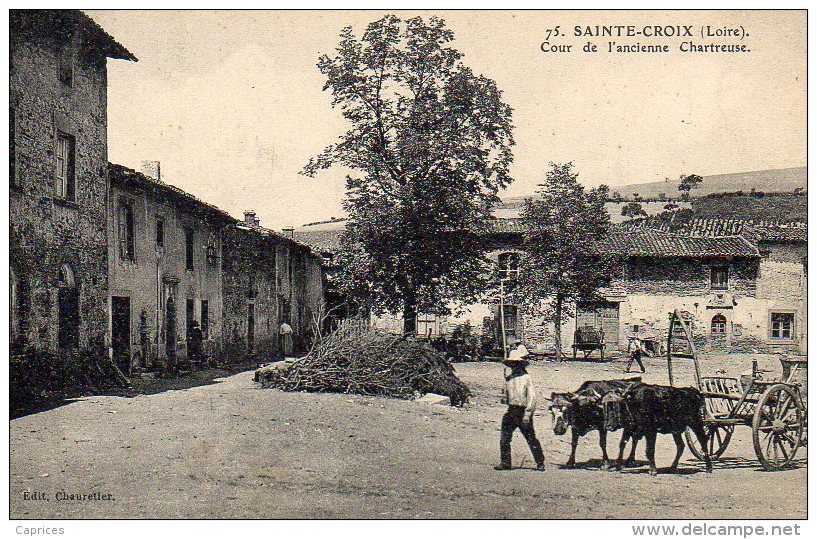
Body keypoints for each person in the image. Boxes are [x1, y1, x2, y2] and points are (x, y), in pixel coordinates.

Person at [495, 346, 546, 471]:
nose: (514, 366)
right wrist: (504, 388)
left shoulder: (526, 378)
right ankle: (505, 463)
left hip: (523, 412)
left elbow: (532, 397)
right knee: (505, 438)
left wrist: (528, 414)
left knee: (531, 438)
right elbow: (505, 399)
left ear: (521, 364)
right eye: (512, 363)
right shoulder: (509, 379)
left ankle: (540, 463)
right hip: (511, 411)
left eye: (516, 363)